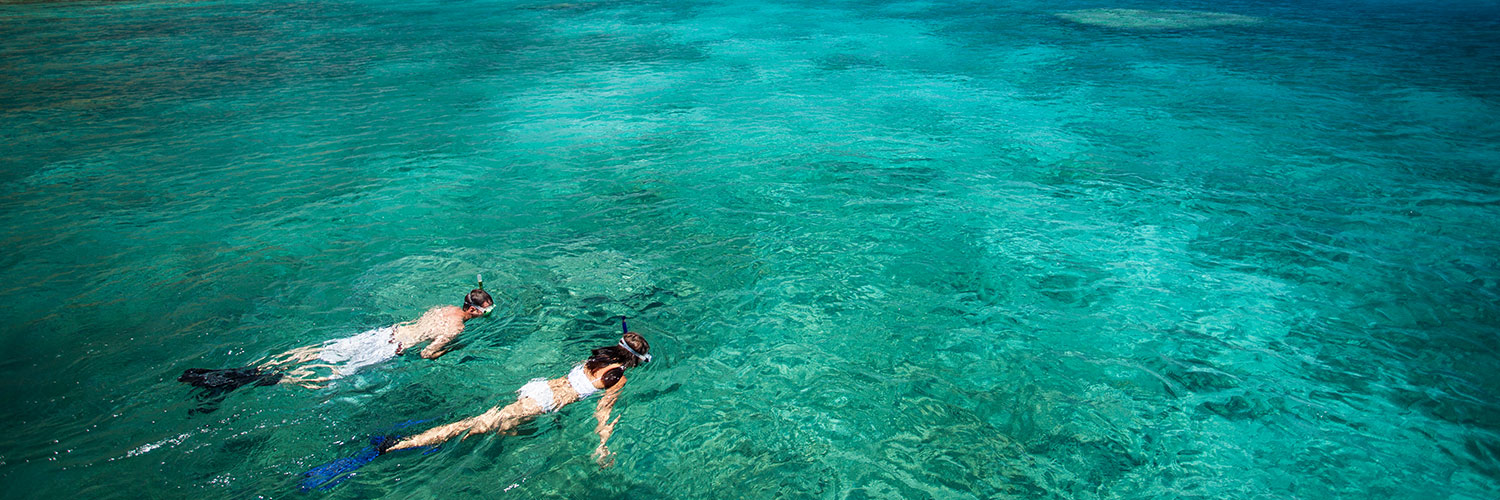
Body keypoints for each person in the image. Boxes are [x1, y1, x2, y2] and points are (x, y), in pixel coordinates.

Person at [177, 288, 495, 414]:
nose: (486, 316)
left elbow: (417, 324)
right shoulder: (457, 329)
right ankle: (260, 379)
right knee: (329, 376)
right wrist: (449, 351)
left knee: (319, 350)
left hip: (388, 333)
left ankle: (258, 367)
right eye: (487, 312)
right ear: (475, 310)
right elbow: (426, 355)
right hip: (393, 349)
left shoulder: (443, 309)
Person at [380, 324, 650, 468]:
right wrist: (601, 446)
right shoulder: (618, 378)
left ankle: (495, 441)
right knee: (475, 425)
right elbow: (603, 412)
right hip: (545, 403)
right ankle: (403, 445)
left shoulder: (596, 358)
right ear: (635, 360)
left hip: (537, 387)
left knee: (503, 428)